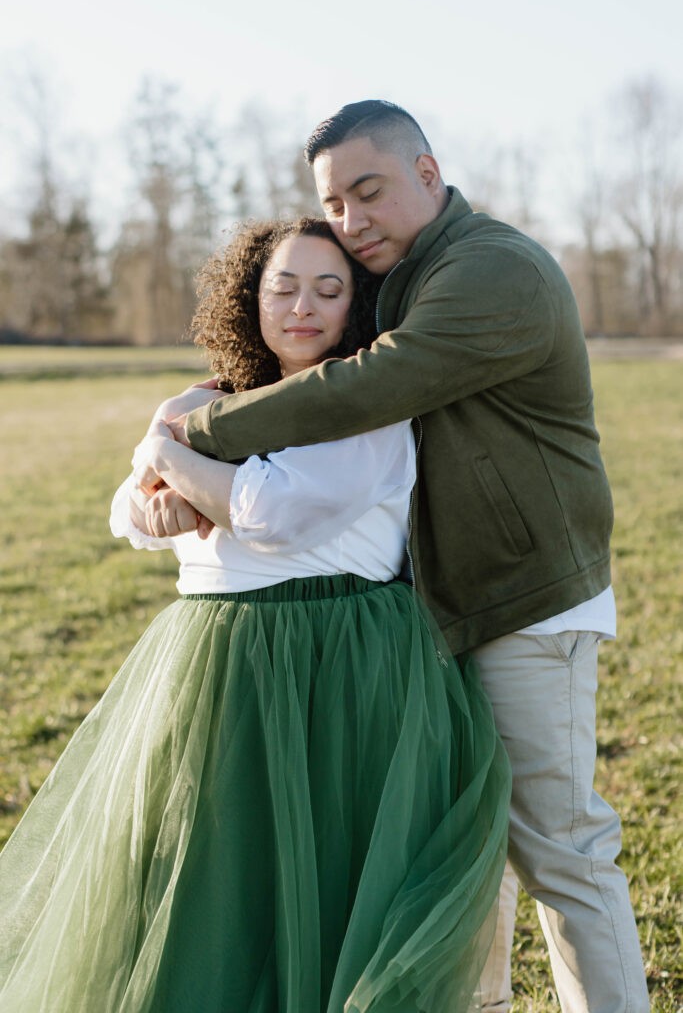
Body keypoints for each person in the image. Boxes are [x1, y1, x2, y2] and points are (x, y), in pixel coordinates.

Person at [154, 102, 650, 1013]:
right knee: (459, 850)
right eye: (333, 203)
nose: (351, 220)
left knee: (558, 851)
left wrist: (198, 432)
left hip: (523, 601)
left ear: (428, 173)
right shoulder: (401, 274)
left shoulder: (489, 267)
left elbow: (372, 382)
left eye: (367, 191)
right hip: (435, 610)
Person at [0, 217, 510, 1013]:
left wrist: (171, 463)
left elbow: (273, 513)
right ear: (251, 296)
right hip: (216, 665)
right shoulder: (202, 399)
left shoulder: (369, 409)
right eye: (283, 285)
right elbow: (125, 515)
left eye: (328, 289)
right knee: (210, 873)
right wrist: (157, 505)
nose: (302, 307)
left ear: (357, 306)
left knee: (325, 880)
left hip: (341, 659)